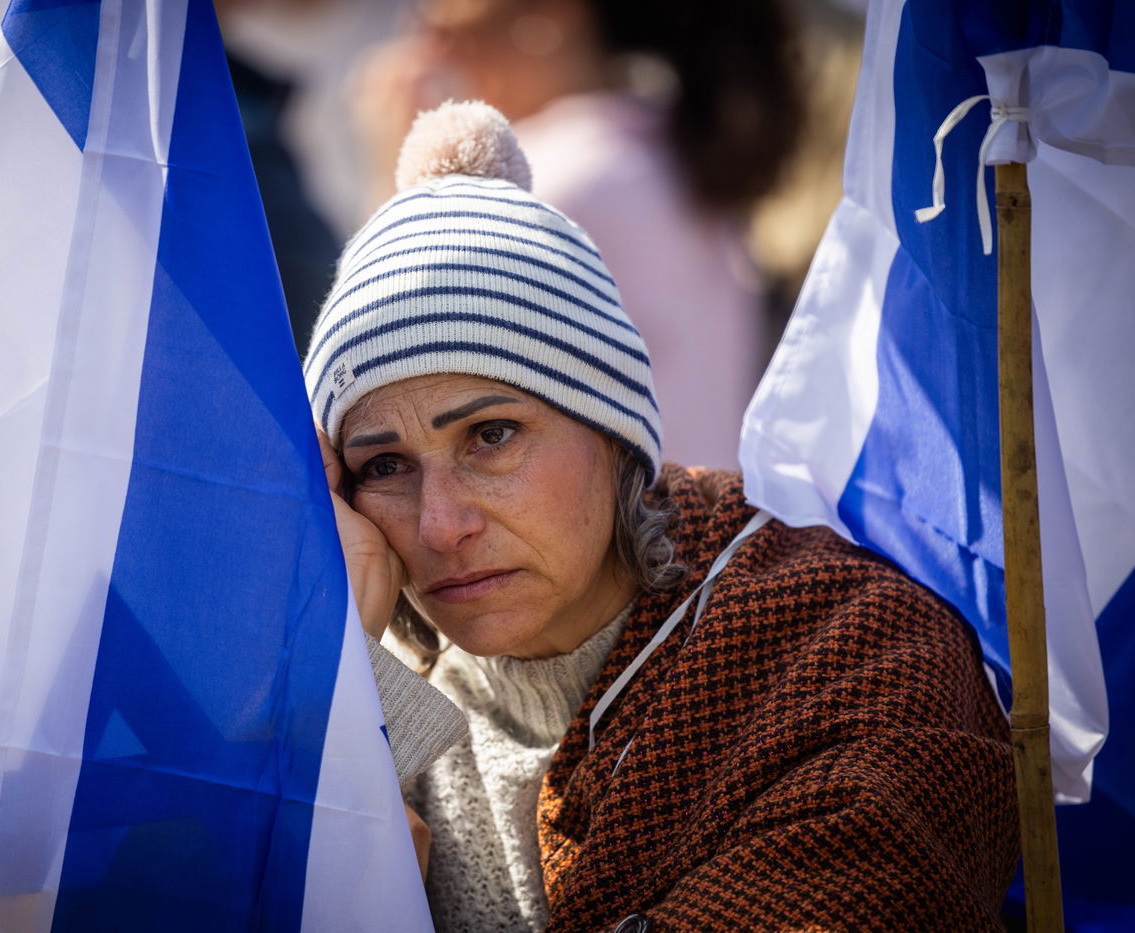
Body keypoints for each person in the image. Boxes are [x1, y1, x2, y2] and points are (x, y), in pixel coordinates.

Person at [305, 102, 1019, 932]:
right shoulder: (369, 691)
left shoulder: (855, 653)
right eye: (383, 466)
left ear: (615, 434)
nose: (440, 525)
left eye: (491, 435)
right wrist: (327, 675)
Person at [349, 0, 804, 468]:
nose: (426, 49)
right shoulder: (660, 145)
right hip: (697, 521)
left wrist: (396, 172)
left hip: (631, 531)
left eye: (446, 31)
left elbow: (384, 364)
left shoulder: (556, 180)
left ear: (553, 14)